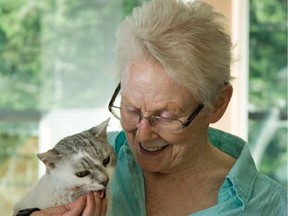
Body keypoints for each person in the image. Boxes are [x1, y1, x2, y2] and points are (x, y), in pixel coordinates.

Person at [25, 0, 287, 215]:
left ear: (217, 104)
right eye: (132, 109)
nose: (143, 134)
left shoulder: (270, 207)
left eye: (165, 116)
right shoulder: (95, 156)